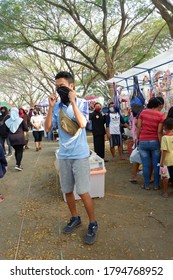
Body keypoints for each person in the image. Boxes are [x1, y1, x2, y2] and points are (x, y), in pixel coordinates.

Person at [45, 71, 98, 245]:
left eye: (62, 86)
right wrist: (51, 107)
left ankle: (92, 223)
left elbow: (82, 124)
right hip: (64, 155)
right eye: (56, 86)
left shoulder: (82, 103)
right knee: (67, 190)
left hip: (80, 155)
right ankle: (75, 217)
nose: (58, 89)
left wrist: (73, 101)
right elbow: (47, 129)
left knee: (82, 191)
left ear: (71, 86)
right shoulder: (57, 107)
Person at [137, 96, 165, 190]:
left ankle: (147, 185)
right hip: (155, 142)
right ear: (160, 105)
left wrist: (138, 138)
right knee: (156, 164)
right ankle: (156, 185)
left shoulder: (143, 112)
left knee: (145, 165)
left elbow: (139, 127)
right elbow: (159, 132)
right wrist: (161, 143)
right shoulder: (161, 115)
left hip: (143, 141)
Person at [160, 118, 173, 198]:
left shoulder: (164, 138)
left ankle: (165, 192)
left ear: (164, 127)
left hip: (166, 161)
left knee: (165, 177)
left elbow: (164, 151)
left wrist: (162, 162)